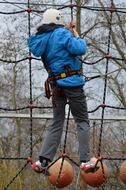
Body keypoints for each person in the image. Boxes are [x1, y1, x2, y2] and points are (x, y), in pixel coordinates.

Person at [27, 8, 98, 175]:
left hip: (56, 85)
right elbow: (80, 48)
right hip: (72, 83)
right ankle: (85, 161)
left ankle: (43, 160)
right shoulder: (62, 33)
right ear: (58, 21)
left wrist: (69, 31)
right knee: (82, 121)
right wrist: (75, 34)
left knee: (57, 122)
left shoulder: (41, 39)